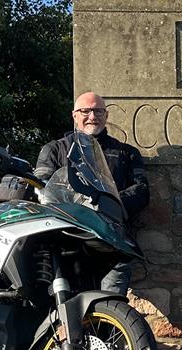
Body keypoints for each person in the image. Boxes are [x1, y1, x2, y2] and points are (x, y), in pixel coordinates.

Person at [35, 92, 149, 295]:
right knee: (67, 306)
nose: (92, 116)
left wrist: (106, 202)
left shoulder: (127, 153)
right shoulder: (54, 150)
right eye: (85, 111)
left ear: (106, 115)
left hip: (112, 239)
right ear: (74, 115)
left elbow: (141, 190)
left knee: (112, 302)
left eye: (98, 110)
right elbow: (41, 187)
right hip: (67, 238)